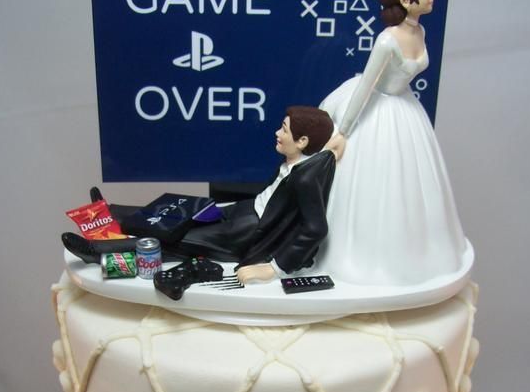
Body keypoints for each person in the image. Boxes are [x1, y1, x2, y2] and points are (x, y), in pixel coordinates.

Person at [63, 106, 336, 285]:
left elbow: (315, 228)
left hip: (246, 232)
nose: (277, 133)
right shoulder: (301, 160)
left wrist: (274, 268)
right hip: (243, 210)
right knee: (176, 210)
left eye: (284, 130)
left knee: (173, 237)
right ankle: (111, 211)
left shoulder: (306, 177)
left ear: (302, 142)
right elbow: (336, 142)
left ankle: (96, 252)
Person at [319, 0, 467, 286]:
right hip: (378, 113)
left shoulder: (420, 30)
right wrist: (343, 131)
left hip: (406, 110)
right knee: (377, 187)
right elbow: (366, 86)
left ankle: (416, 257)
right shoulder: (387, 42)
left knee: (412, 187)